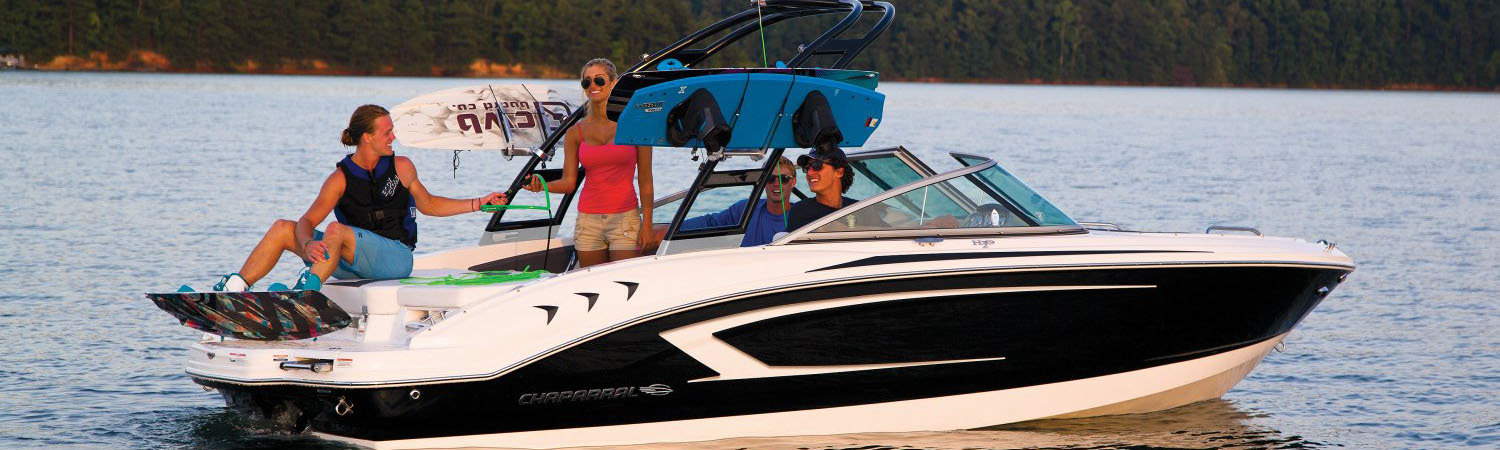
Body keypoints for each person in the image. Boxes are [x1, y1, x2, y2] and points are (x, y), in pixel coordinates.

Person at [203, 104, 506, 292]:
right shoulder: (340, 178)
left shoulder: (401, 166)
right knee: (284, 227)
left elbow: (428, 204)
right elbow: (307, 220)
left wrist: (479, 202)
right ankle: (236, 286)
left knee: (336, 231)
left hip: (395, 258)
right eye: (387, 132)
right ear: (367, 137)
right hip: (349, 258)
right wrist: (308, 243)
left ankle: (306, 294)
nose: (393, 137)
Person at [523, 58, 653, 267]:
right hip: (588, 221)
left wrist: (647, 225)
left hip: (625, 219)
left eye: (599, 80)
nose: (593, 86)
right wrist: (542, 186)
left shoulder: (636, 125)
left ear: (613, 82)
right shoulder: (576, 132)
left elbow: (646, 182)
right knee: (591, 285)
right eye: (587, 82)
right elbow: (568, 183)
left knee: (624, 282)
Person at [678, 156, 797, 246]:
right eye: (771, 179)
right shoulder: (745, 209)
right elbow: (710, 222)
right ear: (763, 182)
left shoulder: (801, 216)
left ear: (793, 182)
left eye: (784, 179)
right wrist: (671, 228)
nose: (777, 184)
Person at [785, 147, 886, 232]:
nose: (809, 173)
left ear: (839, 172)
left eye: (817, 165)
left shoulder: (861, 209)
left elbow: (886, 237)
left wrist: (842, 229)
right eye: (807, 168)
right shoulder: (801, 211)